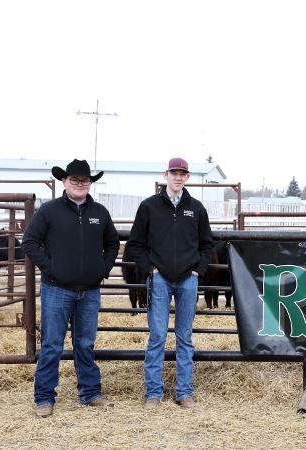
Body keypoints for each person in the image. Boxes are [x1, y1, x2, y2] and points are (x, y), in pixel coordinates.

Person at [22, 159, 119, 418]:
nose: (79, 184)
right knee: (52, 344)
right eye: (74, 179)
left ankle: (90, 392)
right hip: (57, 289)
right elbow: (29, 242)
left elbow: (112, 243)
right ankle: (44, 397)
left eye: (84, 180)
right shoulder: (49, 211)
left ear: (90, 183)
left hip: (90, 290)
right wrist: (51, 268)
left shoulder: (100, 212)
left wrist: (103, 269)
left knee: (85, 343)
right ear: (64, 181)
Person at [125, 157, 213, 409]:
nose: (178, 177)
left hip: (188, 279)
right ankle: (153, 392)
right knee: (157, 335)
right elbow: (135, 244)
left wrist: (197, 270)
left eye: (182, 174)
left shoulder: (196, 208)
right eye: (174, 173)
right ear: (166, 175)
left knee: (184, 336)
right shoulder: (149, 206)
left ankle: (184, 392)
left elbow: (207, 244)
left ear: (187, 177)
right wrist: (150, 269)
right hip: (160, 278)